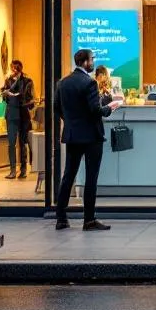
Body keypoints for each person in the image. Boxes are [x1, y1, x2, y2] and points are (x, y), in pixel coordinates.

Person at [54, 49, 123, 231]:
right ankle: (89, 220)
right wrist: (110, 108)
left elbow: (56, 108)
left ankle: (61, 218)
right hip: (91, 136)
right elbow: (95, 110)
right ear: (85, 62)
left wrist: (70, 122)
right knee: (91, 178)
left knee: (68, 175)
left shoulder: (62, 83)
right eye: (92, 59)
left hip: (72, 135)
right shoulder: (89, 83)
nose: (93, 62)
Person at [0, 60, 35, 179]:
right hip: (11, 115)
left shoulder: (27, 81)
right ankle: (12, 170)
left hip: (23, 114)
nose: (13, 70)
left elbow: (31, 100)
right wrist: (5, 94)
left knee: (23, 143)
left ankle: (23, 169)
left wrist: (27, 101)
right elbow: (4, 98)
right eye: (12, 68)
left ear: (20, 68)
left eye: (15, 68)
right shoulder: (8, 81)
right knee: (11, 143)